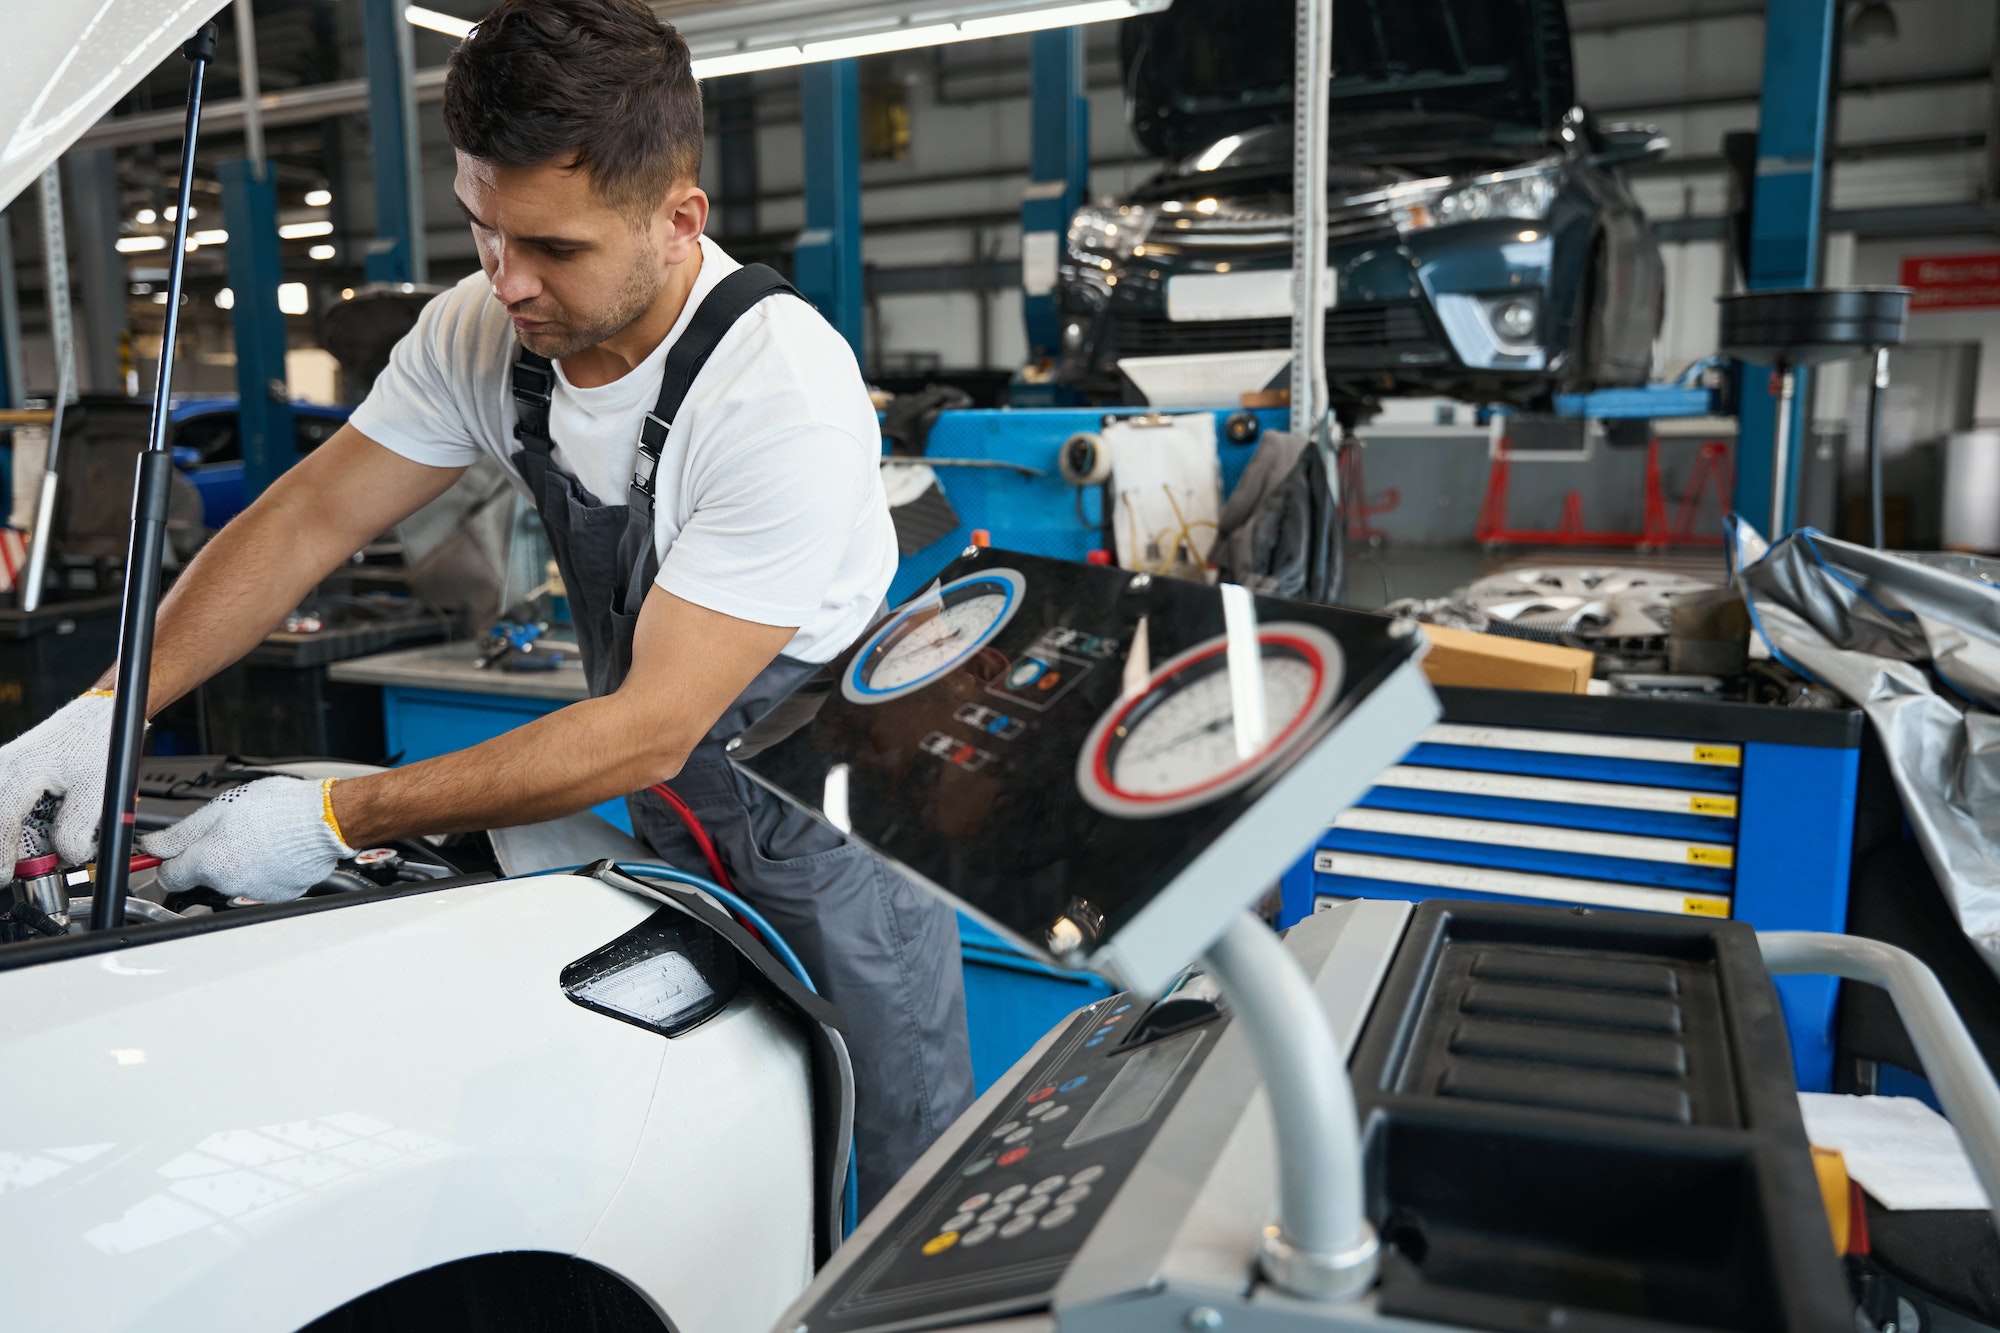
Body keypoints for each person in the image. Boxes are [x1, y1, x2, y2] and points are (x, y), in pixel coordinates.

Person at [0, 0, 971, 1210]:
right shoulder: (484, 330)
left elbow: (648, 725)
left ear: (678, 222)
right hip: (669, 802)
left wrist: (333, 817)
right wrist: (110, 707)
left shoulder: (778, 392)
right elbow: (307, 518)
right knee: (722, 1149)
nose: (505, 280)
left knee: (891, 1169)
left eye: (552, 248)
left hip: (827, 827)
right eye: (480, 230)